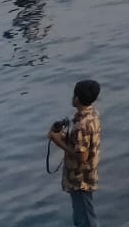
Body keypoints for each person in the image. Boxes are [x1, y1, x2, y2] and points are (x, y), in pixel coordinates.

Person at [47, 80, 101, 227]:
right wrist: (63, 137)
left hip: (80, 179)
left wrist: (58, 143)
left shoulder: (81, 125)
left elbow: (82, 156)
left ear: (77, 98)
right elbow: (83, 143)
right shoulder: (92, 114)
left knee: (85, 218)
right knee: (82, 214)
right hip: (86, 174)